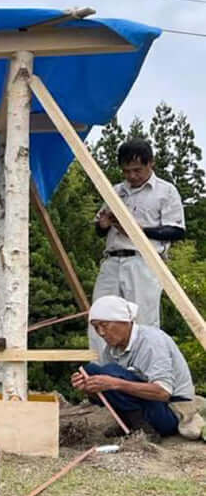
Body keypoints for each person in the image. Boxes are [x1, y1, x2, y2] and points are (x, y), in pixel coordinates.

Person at [90, 138, 185, 354]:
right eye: (127, 171)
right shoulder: (115, 190)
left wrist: (139, 231)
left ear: (150, 163)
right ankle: (101, 369)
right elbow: (99, 230)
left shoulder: (166, 191)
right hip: (113, 258)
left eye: (137, 170)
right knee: (101, 314)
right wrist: (104, 225)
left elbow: (177, 231)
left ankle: (146, 368)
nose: (132, 176)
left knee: (143, 318)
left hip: (144, 260)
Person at [72, 295, 194, 437]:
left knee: (110, 372)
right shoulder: (111, 350)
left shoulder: (151, 342)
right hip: (148, 406)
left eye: (104, 325)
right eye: (96, 327)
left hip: (170, 410)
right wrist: (88, 387)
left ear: (125, 321)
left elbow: (163, 392)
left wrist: (115, 383)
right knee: (91, 371)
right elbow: (110, 394)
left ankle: (142, 428)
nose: (101, 333)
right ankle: (132, 423)